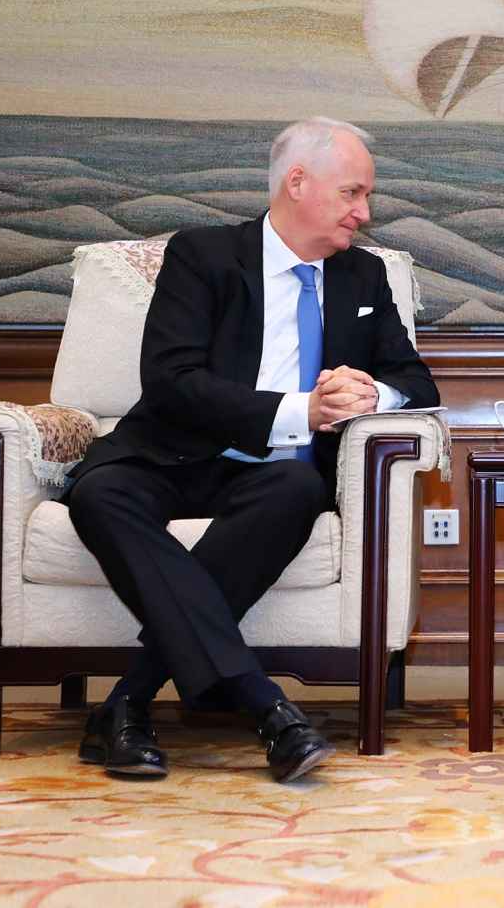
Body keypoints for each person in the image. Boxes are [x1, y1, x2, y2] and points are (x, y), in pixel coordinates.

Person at [66, 117, 438, 782]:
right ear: (297, 183)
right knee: (99, 494)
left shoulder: (364, 275)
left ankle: (126, 705)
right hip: (170, 455)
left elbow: (415, 381)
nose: (364, 212)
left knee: (297, 489)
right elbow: (171, 380)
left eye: (366, 197)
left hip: (273, 476)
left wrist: (366, 394)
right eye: (352, 193)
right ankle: (264, 703)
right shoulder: (203, 255)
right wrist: (302, 411)